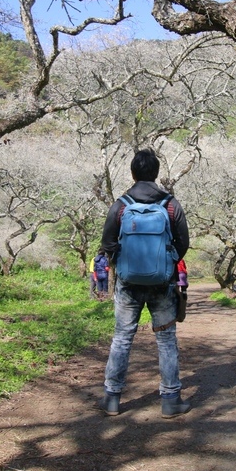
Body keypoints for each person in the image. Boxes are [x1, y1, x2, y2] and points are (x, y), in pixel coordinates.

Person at [99, 148, 190, 418]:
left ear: (133, 173)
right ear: (157, 173)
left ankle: (112, 399)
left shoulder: (121, 204)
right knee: (166, 341)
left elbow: (107, 243)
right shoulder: (170, 204)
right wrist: (165, 262)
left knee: (122, 339)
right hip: (163, 284)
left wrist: (124, 262)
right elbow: (183, 243)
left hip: (128, 285)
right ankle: (171, 400)